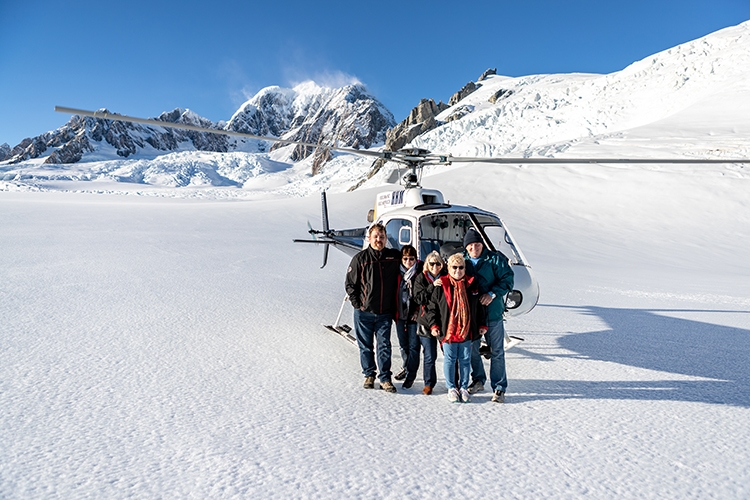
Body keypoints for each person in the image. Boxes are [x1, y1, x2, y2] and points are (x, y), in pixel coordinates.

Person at [345, 223, 402, 393]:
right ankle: (369, 375)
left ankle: (385, 378)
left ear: (386, 239)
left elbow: (410, 262)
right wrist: (358, 305)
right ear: (369, 238)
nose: (379, 239)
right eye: (376, 236)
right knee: (366, 346)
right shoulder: (360, 259)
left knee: (384, 346)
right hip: (364, 312)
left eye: (382, 236)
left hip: (384, 313)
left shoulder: (393, 257)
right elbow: (350, 285)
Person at [426, 253, 487, 403]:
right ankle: (451, 387)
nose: (458, 271)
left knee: (465, 360)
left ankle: (464, 387)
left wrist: (482, 324)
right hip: (448, 331)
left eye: (461, 267)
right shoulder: (442, 285)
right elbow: (432, 308)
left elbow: (480, 307)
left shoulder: (472, 284)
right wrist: (434, 325)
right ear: (448, 268)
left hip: (466, 330)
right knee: (450, 359)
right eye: (454, 267)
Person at [462, 228, 514, 403]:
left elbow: (508, 279)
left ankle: (499, 387)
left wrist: (492, 294)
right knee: (472, 350)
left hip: (492, 313)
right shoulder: (463, 261)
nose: (473, 248)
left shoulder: (494, 259)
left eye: (476, 244)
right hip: (472, 315)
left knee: (497, 351)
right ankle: (478, 379)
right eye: (470, 245)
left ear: (481, 244)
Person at [413, 250, 446, 395]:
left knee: (449, 354)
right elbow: (419, 298)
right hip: (425, 321)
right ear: (427, 264)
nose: (435, 266)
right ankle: (429, 383)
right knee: (430, 355)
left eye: (438, 263)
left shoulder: (446, 277)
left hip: (443, 321)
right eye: (432, 263)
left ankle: (454, 382)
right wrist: (433, 286)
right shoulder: (421, 278)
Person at [394, 245, 422, 389]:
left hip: (413, 315)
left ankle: (412, 373)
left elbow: (421, 296)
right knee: (403, 345)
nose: (408, 262)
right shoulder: (397, 273)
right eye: (405, 258)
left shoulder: (419, 273)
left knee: (413, 345)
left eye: (411, 259)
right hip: (400, 315)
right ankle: (405, 367)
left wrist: (418, 311)